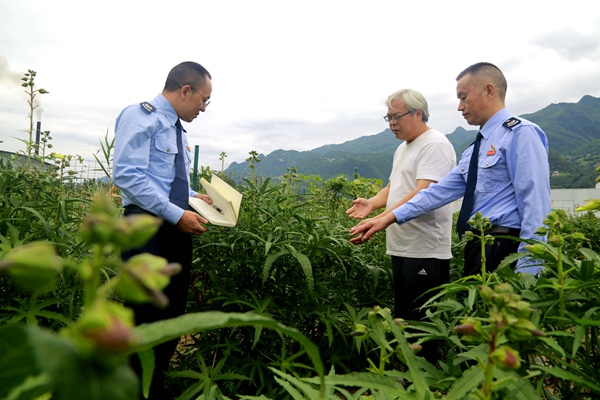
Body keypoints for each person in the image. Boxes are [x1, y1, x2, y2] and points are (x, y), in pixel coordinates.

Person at [350, 62, 551, 277]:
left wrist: (529, 267)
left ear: (489, 91)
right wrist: (386, 218)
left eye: (463, 97)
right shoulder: (477, 148)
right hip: (478, 245)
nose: (459, 107)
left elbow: (535, 202)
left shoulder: (520, 134)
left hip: (506, 245)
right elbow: (436, 193)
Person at [113, 61, 213, 399]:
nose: (203, 108)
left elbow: (169, 186)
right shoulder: (140, 116)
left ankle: (152, 388)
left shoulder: (179, 131)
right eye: (204, 100)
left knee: (171, 315)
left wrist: (199, 200)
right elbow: (128, 175)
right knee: (146, 315)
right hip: (145, 228)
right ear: (186, 90)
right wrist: (176, 212)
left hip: (175, 228)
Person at [346, 89, 455, 362]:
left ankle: (426, 382)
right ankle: (407, 378)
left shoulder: (434, 144)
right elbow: (394, 188)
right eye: (388, 117)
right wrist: (372, 204)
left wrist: (383, 219)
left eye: (397, 116)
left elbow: (423, 194)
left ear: (418, 113)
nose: (392, 122)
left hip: (426, 250)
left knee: (422, 327)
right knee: (405, 319)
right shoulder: (403, 147)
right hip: (403, 247)